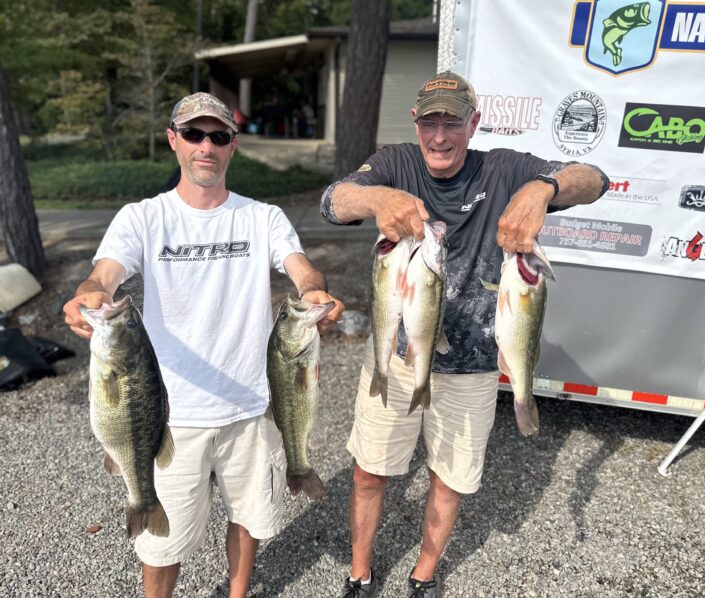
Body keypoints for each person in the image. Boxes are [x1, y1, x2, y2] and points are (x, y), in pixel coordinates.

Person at [320, 71, 609, 598]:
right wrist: (378, 199)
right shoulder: (395, 163)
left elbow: (594, 178)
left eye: (452, 121)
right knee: (370, 471)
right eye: (430, 121)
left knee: (449, 478)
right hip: (398, 354)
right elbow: (333, 201)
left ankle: (423, 575)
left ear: (472, 123)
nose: (439, 135)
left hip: (473, 366)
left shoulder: (505, 167)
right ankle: (359, 574)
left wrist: (542, 190)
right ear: (415, 123)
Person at [63, 91, 345, 598]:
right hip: (168, 413)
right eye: (193, 134)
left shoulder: (262, 217)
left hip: (254, 408)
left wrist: (312, 290)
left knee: (250, 517)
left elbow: (300, 267)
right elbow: (104, 275)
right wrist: (89, 295)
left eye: (218, 136)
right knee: (161, 545)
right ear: (173, 141)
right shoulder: (143, 217)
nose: (206, 146)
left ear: (233, 145)